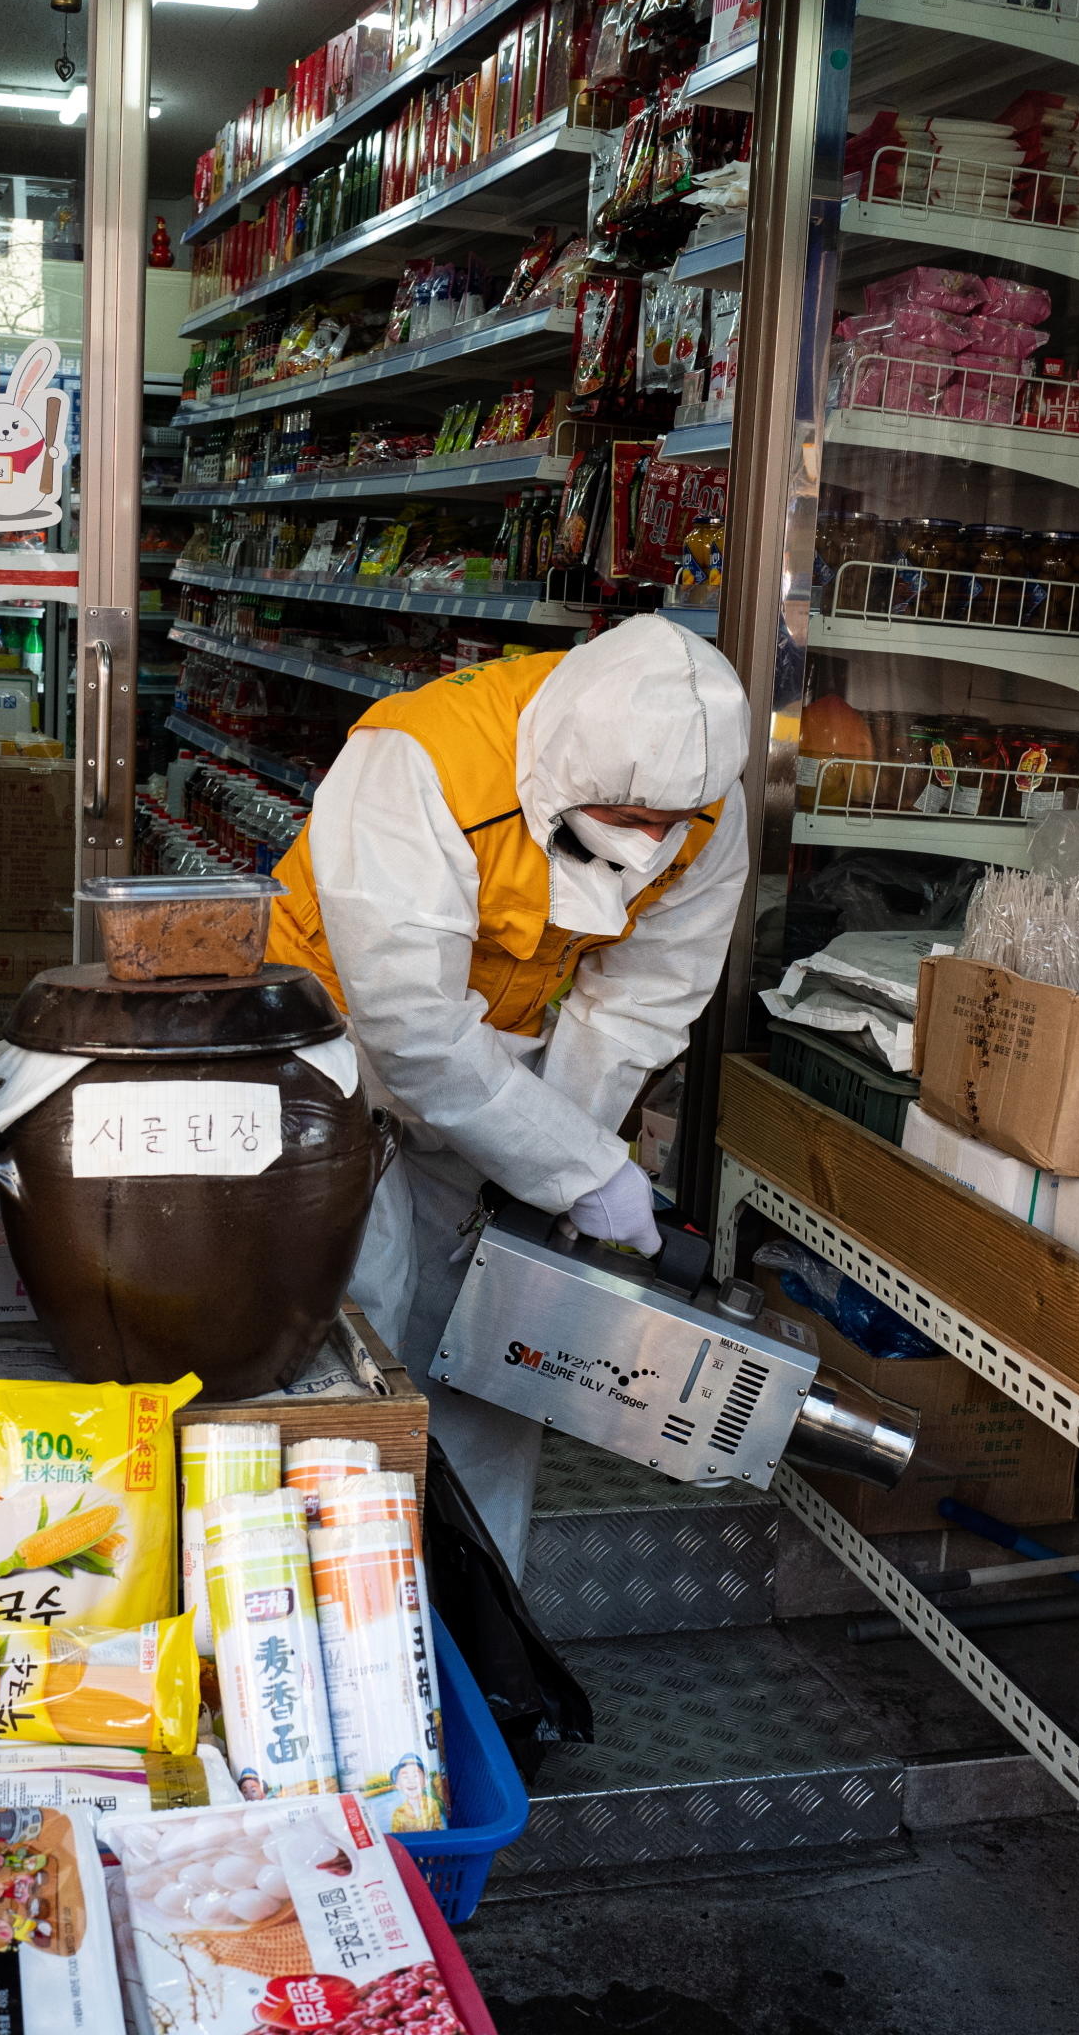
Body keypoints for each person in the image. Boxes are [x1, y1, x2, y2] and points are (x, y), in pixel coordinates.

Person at [266, 615, 750, 1568]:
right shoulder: (420, 758)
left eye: (669, 825)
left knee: (492, 1340)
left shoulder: (709, 818)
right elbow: (408, 1025)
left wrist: (560, 1168)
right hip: (324, 1050)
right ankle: (334, 1591)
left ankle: (478, 1618)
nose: (651, 844)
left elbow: (637, 1008)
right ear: (564, 765)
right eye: (628, 818)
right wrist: (577, 1167)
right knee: (357, 1317)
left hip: (497, 1066)